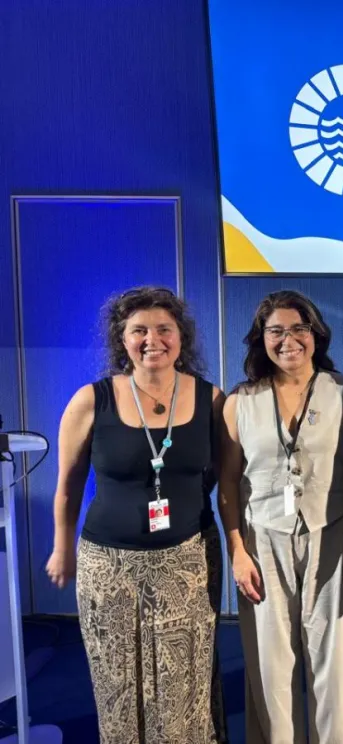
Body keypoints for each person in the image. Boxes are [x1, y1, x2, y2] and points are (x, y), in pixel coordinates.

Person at [44, 286, 226, 743]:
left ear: (181, 336)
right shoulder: (92, 399)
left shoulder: (212, 399)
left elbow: (221, 475)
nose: (153, 339)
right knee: (119, 689)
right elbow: (66, 488)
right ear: (121, 340)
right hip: (108, 568)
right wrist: (61, 549)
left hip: (185, 563)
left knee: (184, 688)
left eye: (164, 329)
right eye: (139, 330)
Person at [218, 290, 343, 743]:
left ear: (315, 334)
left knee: (336, 665)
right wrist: (237, 550)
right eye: (276, 331)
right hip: (263, 541)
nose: (288, 340)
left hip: (332, 533)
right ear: (260, 339)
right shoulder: (238, 401)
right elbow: (227, 483)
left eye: (298, 329)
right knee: (270, 665)